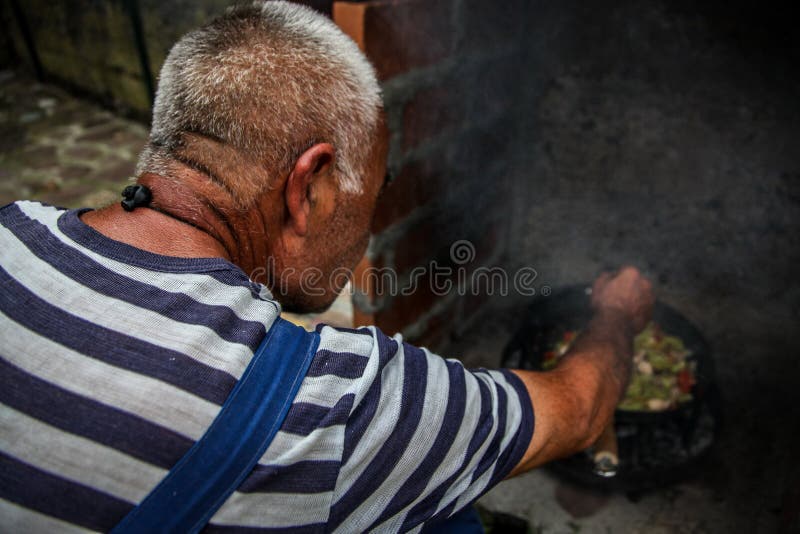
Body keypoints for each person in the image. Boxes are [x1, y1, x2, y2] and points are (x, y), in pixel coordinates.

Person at [0, 1, 654, 532]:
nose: (367, 229)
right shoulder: (335, 405)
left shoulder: (12, 230)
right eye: (371, 194)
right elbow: (579, 408)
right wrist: (618, 312)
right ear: (308, 188)